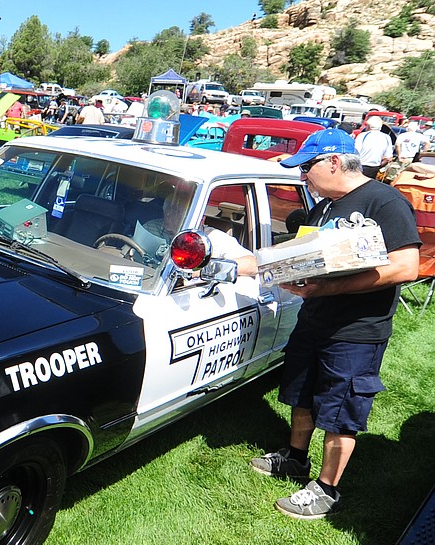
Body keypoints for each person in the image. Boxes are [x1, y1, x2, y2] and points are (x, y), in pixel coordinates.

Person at [251, 128, 420, 519]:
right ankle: (295, 457)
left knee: (340, 408)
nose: (302, 176)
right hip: (315, 319)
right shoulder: (324, 205)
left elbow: (406, 267)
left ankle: (326, 490)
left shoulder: (384, 201)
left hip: (356, 330)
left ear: (332, 162)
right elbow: (307, 251)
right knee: (301, 392)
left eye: (307, 167)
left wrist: (329, 290)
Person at [138, 184, 257, 275]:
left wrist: (202, 271)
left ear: (200, 220)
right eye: (168, 209)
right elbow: (130, 253)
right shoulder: (152, 227)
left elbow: (252, 264)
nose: (170, 215)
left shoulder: (211, 238)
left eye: (178, 212)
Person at [354, 115, 393, 179]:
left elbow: (355, 151)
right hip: (375, 168)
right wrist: (379, 166)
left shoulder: (363, 135)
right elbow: (388, 158)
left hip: (361, 166)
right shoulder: (386, 137)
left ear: (368, 126)